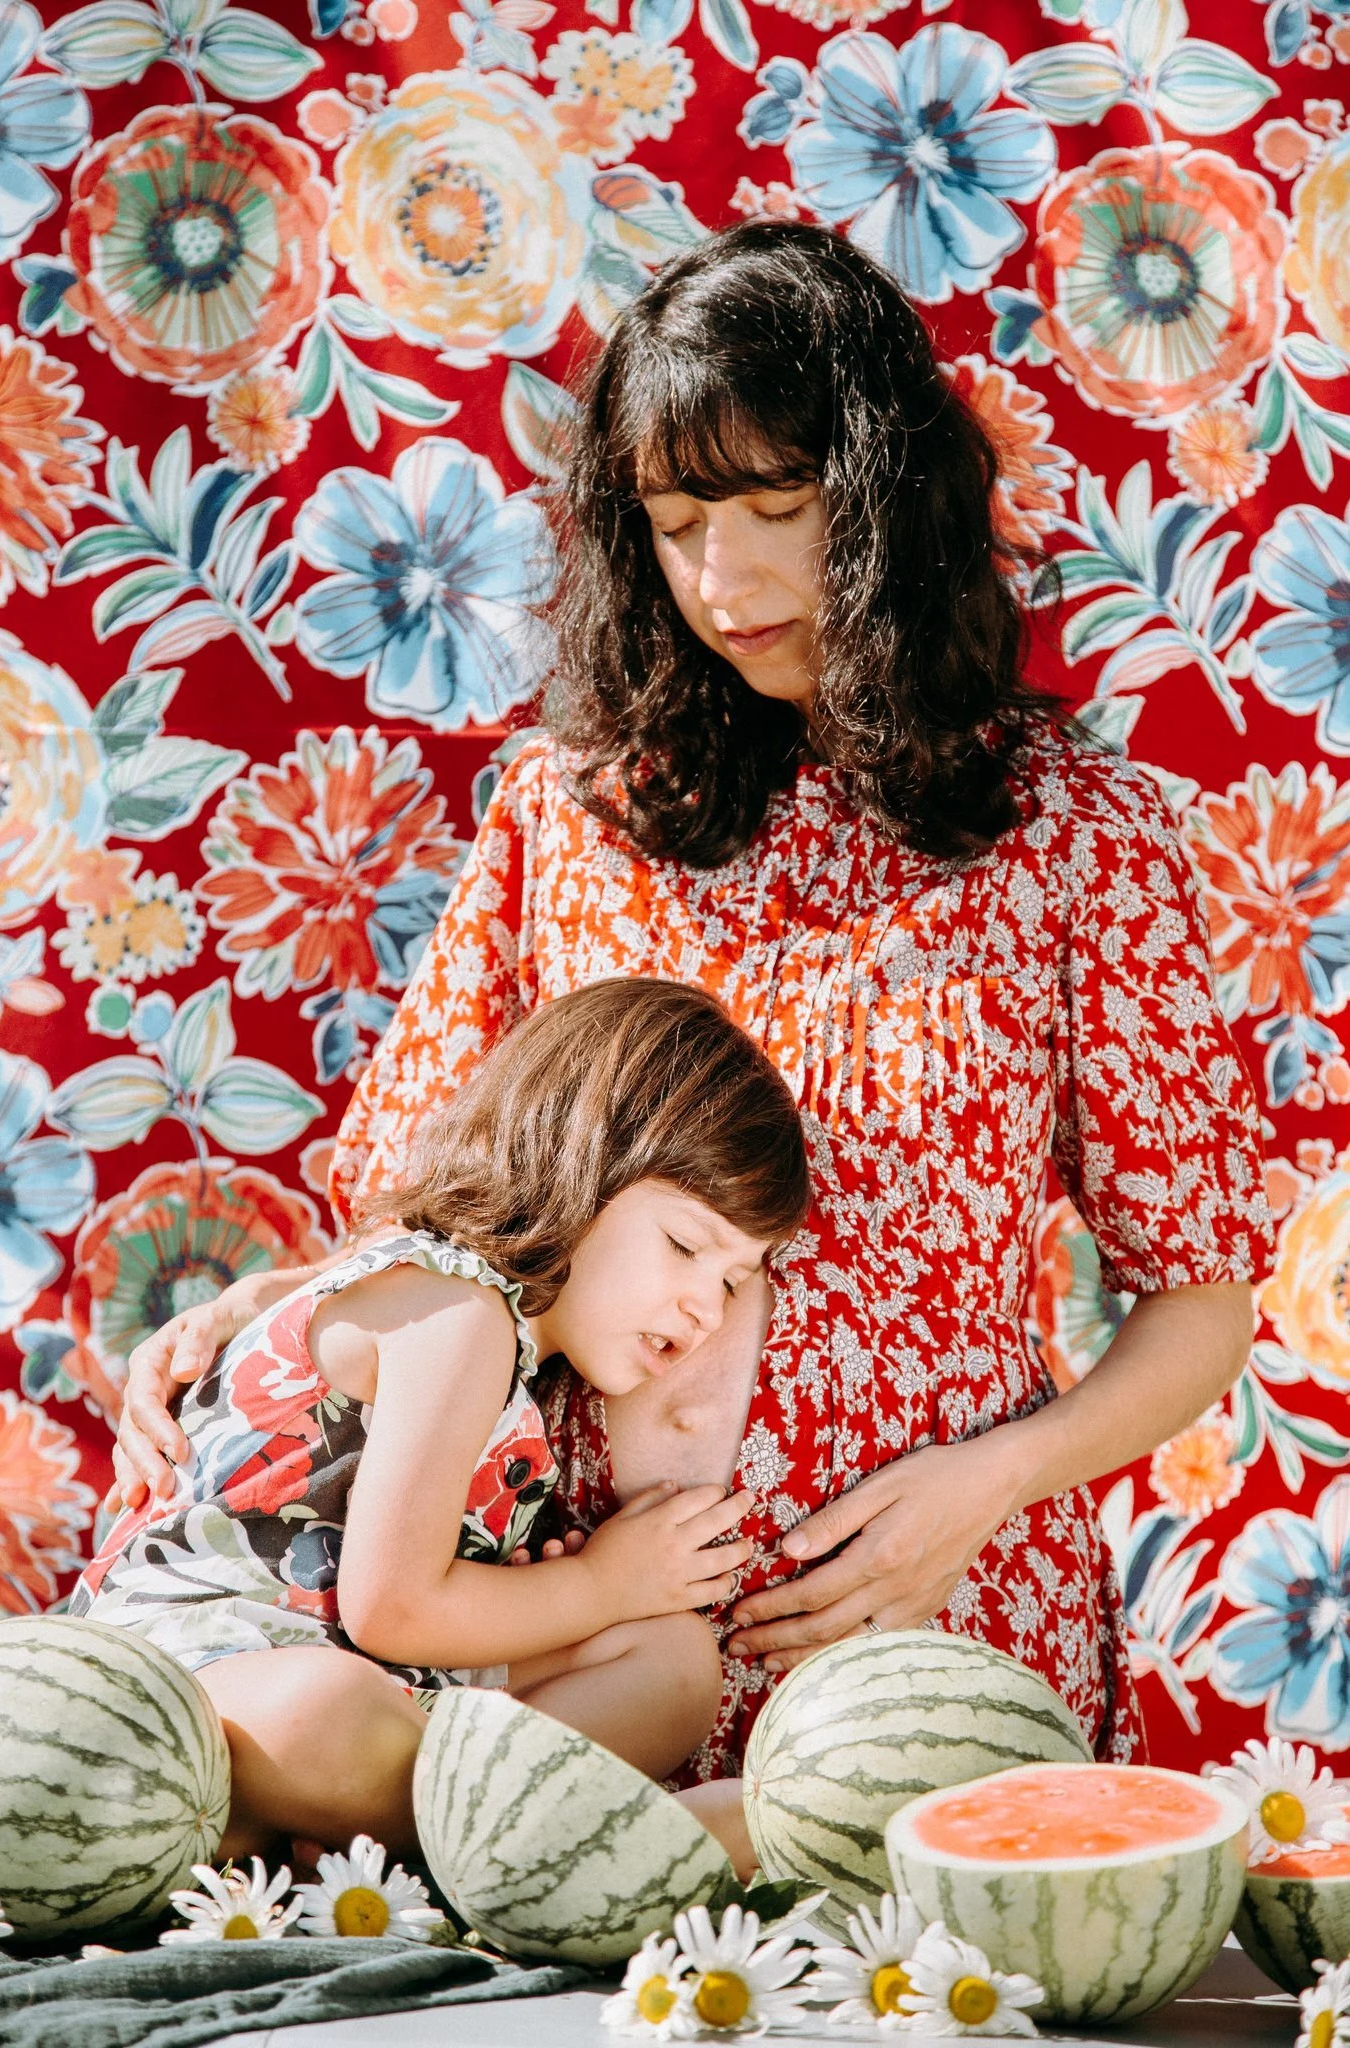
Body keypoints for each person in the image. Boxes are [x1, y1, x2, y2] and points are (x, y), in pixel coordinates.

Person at [108, 218, 1274, 1782]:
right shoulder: (570, 811)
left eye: (778, 509)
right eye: (673, 522)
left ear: (884, 502)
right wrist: (258, 1327)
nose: (723, 580)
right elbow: (436, 1212)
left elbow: (1199, 1297)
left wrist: (989, 1487)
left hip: (930, 1643)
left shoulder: (1075, 837)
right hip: (545, 1665)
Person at [74, 978, 808, 1870]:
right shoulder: (456, 1314)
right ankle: (546, 1850)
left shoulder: (496, 1342)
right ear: (576, 1164)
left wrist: (560, 1601)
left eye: (735, 1280)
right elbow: (393, 1607)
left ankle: (400, 1837)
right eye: (686, 1246)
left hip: (371, 1679)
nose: (704, 1308)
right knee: (324, 1714)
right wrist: (605, 1586)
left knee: (674, 1661)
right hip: (212, 1665)